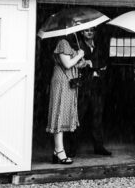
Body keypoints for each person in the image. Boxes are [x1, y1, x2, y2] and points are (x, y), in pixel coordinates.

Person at [46, 22, 90, 164]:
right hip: (61, 82)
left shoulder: (71, 44)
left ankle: (56, 150)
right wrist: (80, 55)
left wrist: (82, 62)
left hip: (69, 83)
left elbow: (74, 64)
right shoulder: (63, 42)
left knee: (64, 114)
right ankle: (60, 151)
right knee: (59, 114)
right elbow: (67, 64)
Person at [73, 25, 111, 156]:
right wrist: (82, 62)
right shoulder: (77, 46)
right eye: (86, 30)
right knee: (78, 117)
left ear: (94, 32)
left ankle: (99, 147)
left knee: (97, 118)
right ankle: (72, 148)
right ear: (82, 32)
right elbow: (74, 66)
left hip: (98, 87)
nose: (89, 33)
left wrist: (92, 64)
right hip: (83, 87)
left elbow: (105, 63)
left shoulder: (100, 46)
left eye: (91, 30)